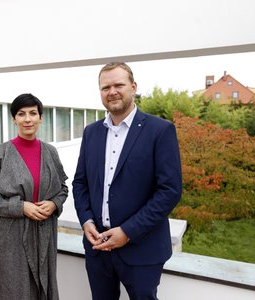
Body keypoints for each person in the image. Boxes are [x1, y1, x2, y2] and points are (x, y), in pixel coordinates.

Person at [72, 62, 182, 300]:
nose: (112, 91)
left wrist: (128, 231)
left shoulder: (160, 130)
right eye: (105, 87)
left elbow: (169, 191)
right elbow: (80, 183)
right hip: (97, 248)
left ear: (133, 87)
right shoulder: (91, 132)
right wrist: (87, 220)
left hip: (142, 249)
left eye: (118, 85)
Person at [0, 93, 68, 300]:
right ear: (14, 119)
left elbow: (63, 188)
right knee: (13, 289)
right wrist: (21, 207)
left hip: (45, 234)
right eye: (21, 114)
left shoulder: (51, 152)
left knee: (43, 287)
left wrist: (54, 204)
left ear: (41, 118)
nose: (28, 119)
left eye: (33, 113)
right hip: (12, 236)